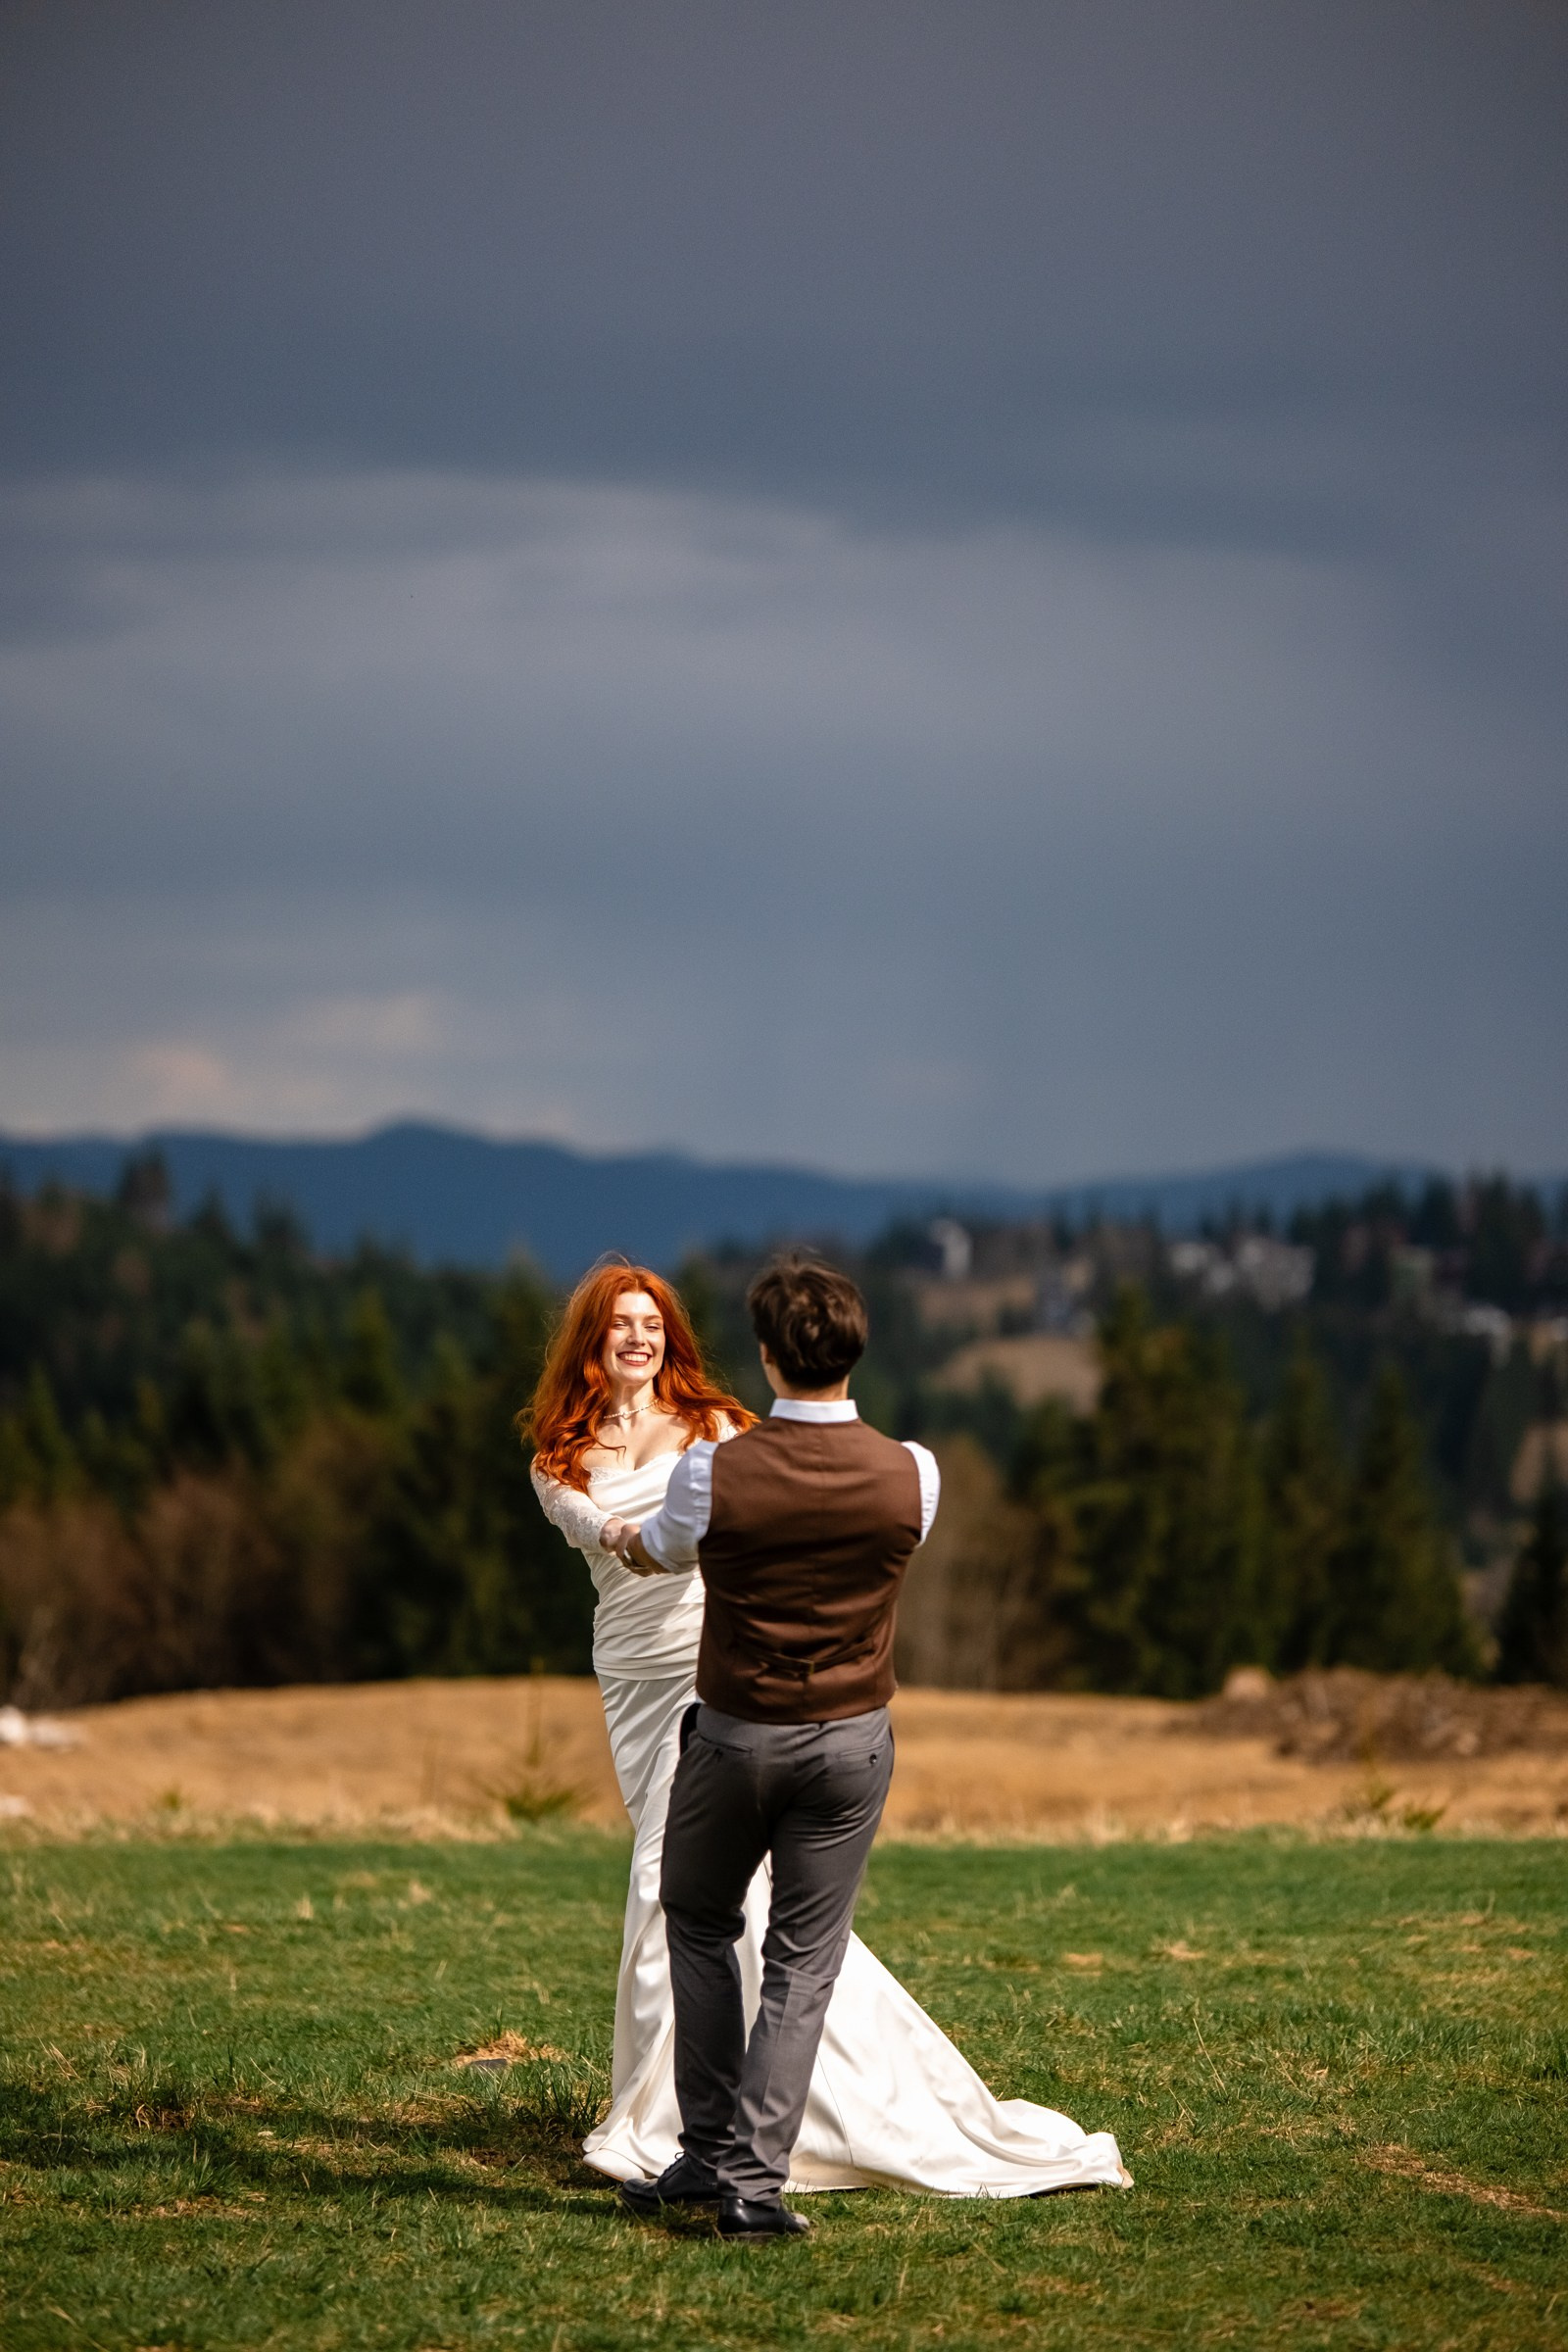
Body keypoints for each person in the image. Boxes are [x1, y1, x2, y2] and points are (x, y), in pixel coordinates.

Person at [526, 1255, 1127, 2222]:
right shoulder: (914, 1474)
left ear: (764, 1356)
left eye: (651, 1322)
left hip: (722, 1709)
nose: (637, 1338)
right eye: (618, 1325)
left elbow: (675, 1541)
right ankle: (724, 2151)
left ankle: (681, 2137)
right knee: (789, 1948)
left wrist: (624, 1537)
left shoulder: (720, 1453)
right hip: (820, 1728)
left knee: (683, 1905)